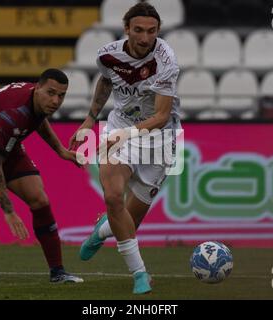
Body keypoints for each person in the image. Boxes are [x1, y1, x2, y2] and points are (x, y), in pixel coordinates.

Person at [69, 2, 181, 294]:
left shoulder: (166, 60)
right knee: (114, 197)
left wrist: (126, 135)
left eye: (152, 31)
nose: (145, 38)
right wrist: (90, 120)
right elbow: (106, 82)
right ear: (127, 29)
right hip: (118, 128)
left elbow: (160, 116)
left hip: (160, 138)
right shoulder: (107, 55)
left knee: (128, 220)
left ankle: (102, 230)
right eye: (139, 30)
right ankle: (140, 275)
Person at [0, 69, 84, 283]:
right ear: (37, 87)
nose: (56, 101)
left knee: (40, 200)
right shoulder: (14, 115)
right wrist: (10, 211)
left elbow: (38, 119)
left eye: (61, 95)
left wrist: (60, 150)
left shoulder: (34, 99)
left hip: (4, 145)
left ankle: (57, 272)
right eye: (51, 93)